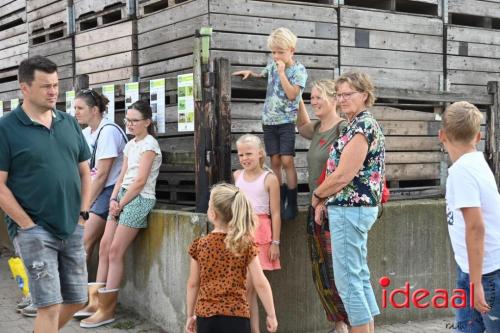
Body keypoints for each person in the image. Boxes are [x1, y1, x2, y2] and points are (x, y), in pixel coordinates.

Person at [0, 55, 92, 333]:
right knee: (49, 306)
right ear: (24, 88)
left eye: (56, 85)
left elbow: (86, 172)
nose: (53, 91)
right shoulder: (6, 128)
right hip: (34, 232)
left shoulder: (68, 122)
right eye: (45, 86)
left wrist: (83, 215)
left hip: (72, 226)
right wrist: (27, 226)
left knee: (77, 299)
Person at [312, 72, 385, 333]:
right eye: (339, 94)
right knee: (358, 277)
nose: (342, 99)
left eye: (348, 94)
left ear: (364, 95)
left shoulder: (362, 126)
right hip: (352, 210)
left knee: (348, 282)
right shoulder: (356, 124)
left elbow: (344, 174)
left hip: (351, 210)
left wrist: (318, 195)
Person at [79, 100, 162, 328]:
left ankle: (108, 310)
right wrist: (114, 199)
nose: (131, 124)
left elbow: (140, 181)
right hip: (122, 197)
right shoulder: (130, 145)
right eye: (128, 120)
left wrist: (121, 202)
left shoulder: (149, 146)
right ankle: (95, 303)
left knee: (115, 251)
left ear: (147, 122)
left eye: (135, 121)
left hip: (140, 199)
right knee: (105, 246)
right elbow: (122, 176)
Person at [232, 27, 308, 220]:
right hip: (269, 121)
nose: (276, 56)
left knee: (287, 161)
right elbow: (263, 75)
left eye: (280, 52)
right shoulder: (273, 65)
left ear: (292, 51)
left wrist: (282, 73)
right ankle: (279, 199)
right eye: (273, 52)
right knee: (274, 161)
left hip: (286, 122)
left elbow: (292, 95)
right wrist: (252, 73)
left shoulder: (298, 70)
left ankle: (292, 202)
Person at [439, 101, 500, 333]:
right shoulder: (475, 163)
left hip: (485, 275)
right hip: (472, 270)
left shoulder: (463, 172)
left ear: (441, 135)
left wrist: (475, 284)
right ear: (478, 136)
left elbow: (476, 227)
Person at [185, 183, 278, 333]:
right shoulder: (245, 245)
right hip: (237, 317)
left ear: (213, 214)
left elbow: (193, 284)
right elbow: (260, 283)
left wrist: (190, 315)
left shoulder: (200, 245)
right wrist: (271, 315)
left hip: (206, 317)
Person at [296, 80, 349, 333]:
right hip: (314, 204)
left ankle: (351, 323)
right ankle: (338, 323)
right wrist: (295, 96)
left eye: (318, 97)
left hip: (334, 207)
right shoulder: (317, 127)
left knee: (338, 267)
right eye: (311, 98)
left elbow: (344, 172)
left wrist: (326, 200)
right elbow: (302, 125)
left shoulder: (343, 128)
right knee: (321, 269)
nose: (314, 102)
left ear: (334, 99)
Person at [73, 88, 127, 319]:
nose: (75, 112)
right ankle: (80, 298)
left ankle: (83, 300)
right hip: (94, 190)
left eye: (79, 108)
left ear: (94, 110)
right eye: (74, 108)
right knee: (80, 244)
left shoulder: (109, 131)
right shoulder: (87, 133)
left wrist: (84, 205)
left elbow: (103, 174)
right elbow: (84, 170)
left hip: (110, 190)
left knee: (84, 242)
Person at [234, 134, 281, 333]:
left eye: (249, 153)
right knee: (247, 290)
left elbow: (276, 212)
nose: (245, 158)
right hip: (240, 234)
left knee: (250, 286)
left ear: (260, 153)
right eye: (241, 154)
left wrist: (275, 242)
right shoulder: (237, 176)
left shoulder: (269, 179)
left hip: (261, 235)